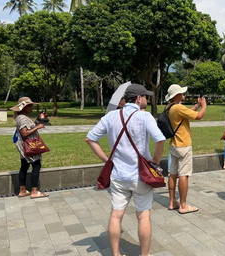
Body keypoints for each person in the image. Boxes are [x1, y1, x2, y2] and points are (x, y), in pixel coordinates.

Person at [85, 84, 166, 256]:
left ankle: (116, 254)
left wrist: (107, 160)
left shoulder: (110, 117)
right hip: (141, 176)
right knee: (143, 216)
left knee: (116, 215)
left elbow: (90, 138)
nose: (146, 99)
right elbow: (160, 139)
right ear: (138, 98)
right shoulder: (145, 117)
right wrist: (156, 161)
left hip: (118, 175)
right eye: (145, 96)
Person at [165, 84, 206, 214]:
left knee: (173, 173)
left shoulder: (170, 107)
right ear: (176, 95)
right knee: (184, 174)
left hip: (174, 144)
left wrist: (196, 106)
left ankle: (172, 202)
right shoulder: (178, 107)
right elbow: (198, 116)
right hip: (183, 144)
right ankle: (183, 205)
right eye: (181, 93)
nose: (183, 94)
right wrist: (204, 106)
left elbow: (186, 113)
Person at [11, 97, 49, 199]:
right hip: (29, 146)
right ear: (24, 107)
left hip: (24, 145)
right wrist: (38, 127)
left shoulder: (21, 117)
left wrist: (39, 119)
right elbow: (25, 133)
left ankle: (22, 190)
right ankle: (34, 191)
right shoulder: (22, 118)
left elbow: (28, 127)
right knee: (36, 165)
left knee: (24, 166)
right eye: (30, 106)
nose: (32, 107)